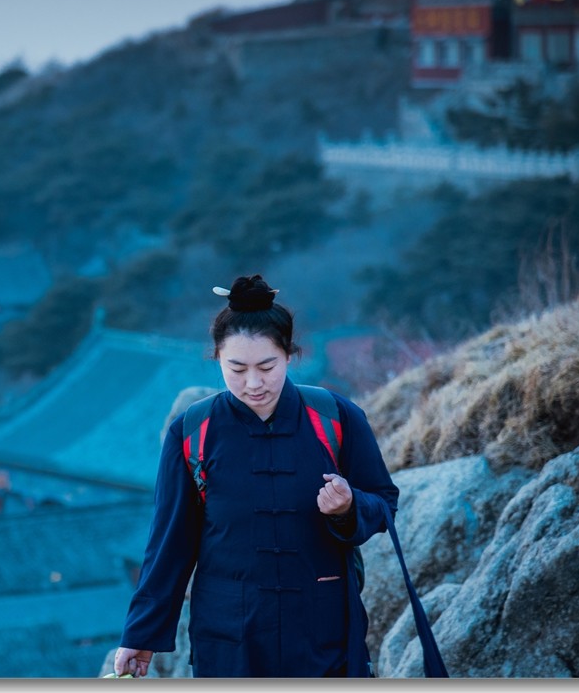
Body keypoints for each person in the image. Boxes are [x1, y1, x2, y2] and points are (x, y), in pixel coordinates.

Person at [113, 274, 399, 678]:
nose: (253, 383)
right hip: (229, 635)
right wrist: (139, 635)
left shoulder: (336, 418)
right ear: (217, 359)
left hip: (323, 628)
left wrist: (349, 506)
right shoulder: (192, 431)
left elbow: (384, 502)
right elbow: (170, 543)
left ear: (289, 355)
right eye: (237, 368)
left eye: (267, 366)